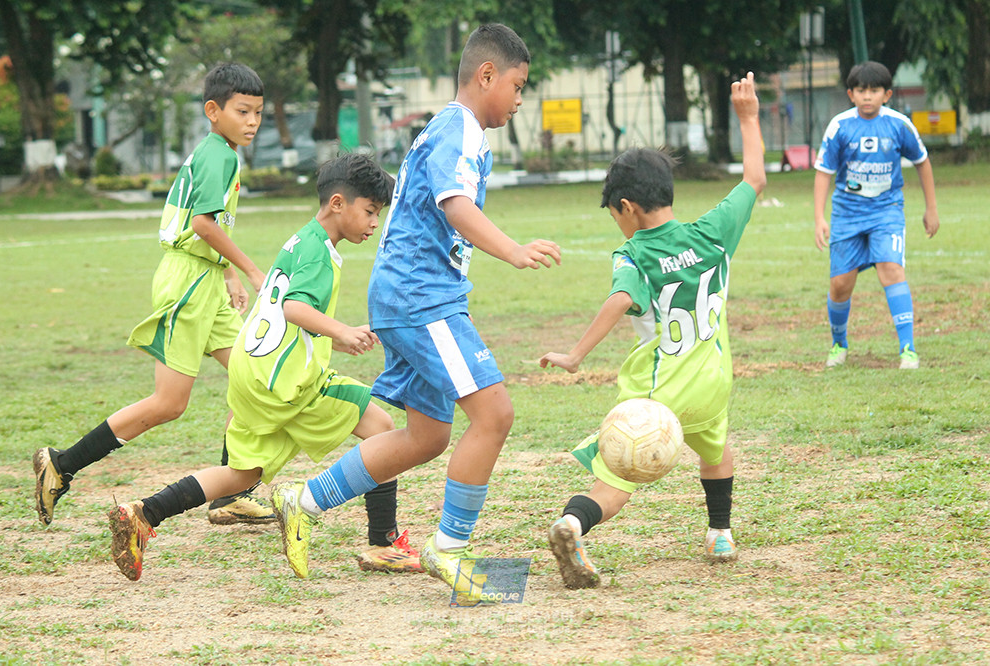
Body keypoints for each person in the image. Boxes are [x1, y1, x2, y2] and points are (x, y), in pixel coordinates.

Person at [267, 24, 561, 596]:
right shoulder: (459, 130)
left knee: (427, 436)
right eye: (518, 86)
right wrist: (513, 250)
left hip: (410, 294)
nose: (520, 100)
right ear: (486, 75)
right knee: (495, 415)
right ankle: (450, 549)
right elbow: (454, 205)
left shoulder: (456, 131)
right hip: (419, 297)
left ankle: (301, 500)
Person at [107, 153, 421, 581]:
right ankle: (383, 544)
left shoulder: (302, 240)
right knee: (384, 430)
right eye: (369, 211)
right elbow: (294, 308)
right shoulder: (319, 253)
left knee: (243, 474)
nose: (373, 223)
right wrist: (342, 333)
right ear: (336, 203)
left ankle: (146, 512)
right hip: (287, 381)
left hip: (252, 371)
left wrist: (351, 329)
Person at [538, 72, 766, 589]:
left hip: (659, 393)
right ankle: (720, 533)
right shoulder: (714, 232)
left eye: (614, 214)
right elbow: (754, 180)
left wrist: (575, 355)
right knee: (716, 446)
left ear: (628, 208)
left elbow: (622, 298)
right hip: (713, 381)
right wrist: (748, 118)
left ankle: (574, 523)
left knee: (618, 474)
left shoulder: (633, 253)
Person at [33, 63, 274, 528]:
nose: (252, 122)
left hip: (203, 279)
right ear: (212, 110)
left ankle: (232, 492)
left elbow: (205, 225)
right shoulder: (218, 156)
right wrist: (249, 267)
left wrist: (224, 272)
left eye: (259, 113)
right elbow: (202, 223)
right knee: (170, 403)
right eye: (243, 111)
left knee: (254, 373)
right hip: (186, 283)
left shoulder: (219, 152)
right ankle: (61, 465)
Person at [814, 60, 939, 370]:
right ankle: (839, 343)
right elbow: (823, 173)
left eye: (874, 90)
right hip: (847, 213)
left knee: (891, 269)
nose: (867, 96)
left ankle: (908, 349)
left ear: (887, 94)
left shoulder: (899, 124)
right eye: (861, 90)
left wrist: (931, 208)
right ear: (850, 94)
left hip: (887, 211)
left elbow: (922, 162)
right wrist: (819, 217)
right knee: (841, 284)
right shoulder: (840, 126)